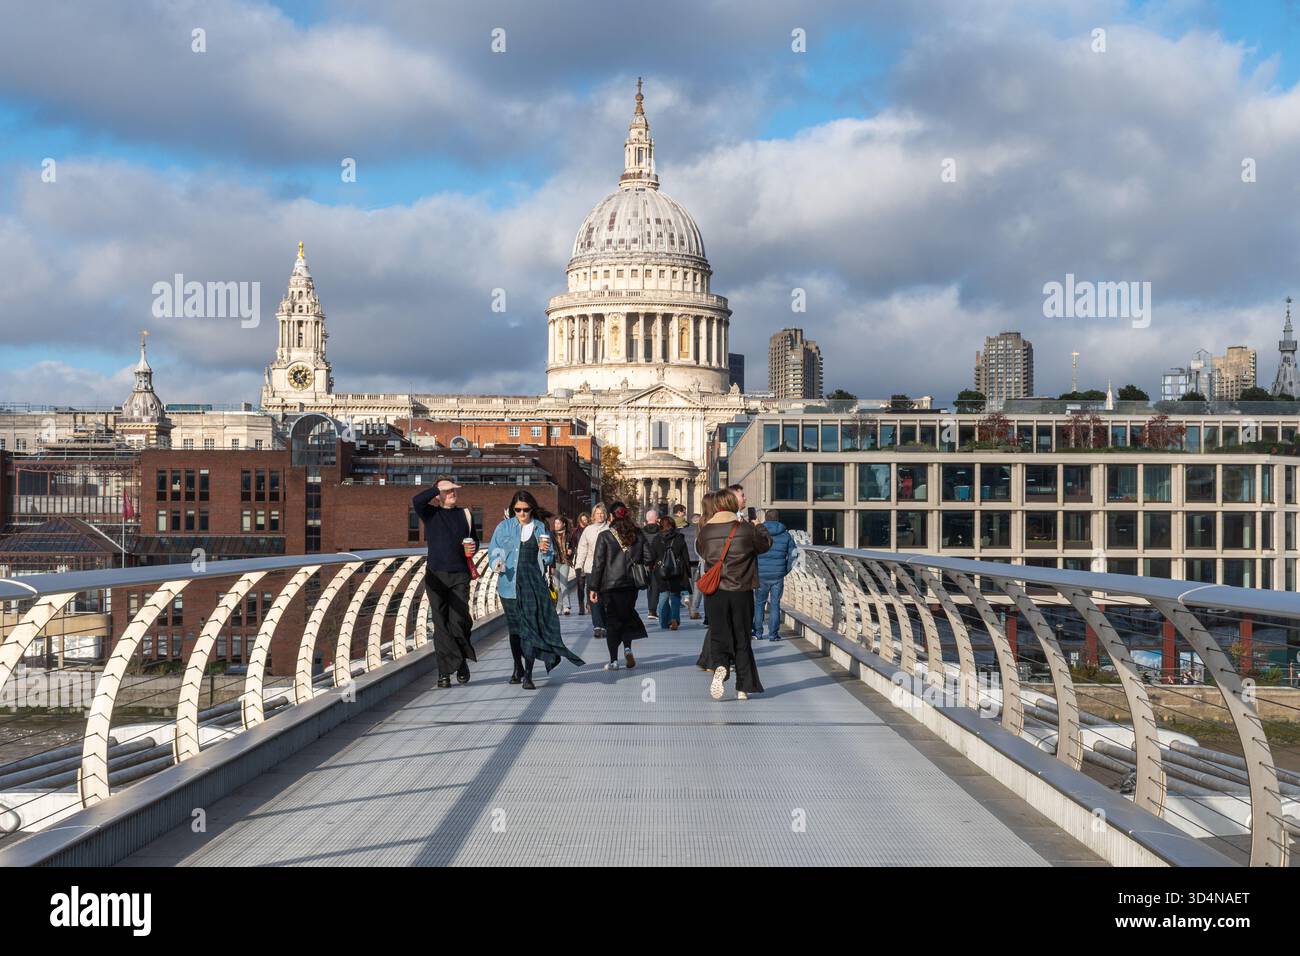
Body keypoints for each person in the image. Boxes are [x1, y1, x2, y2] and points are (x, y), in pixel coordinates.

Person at [487, 491, 584, 689]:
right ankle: (518, 667)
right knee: (515, 630)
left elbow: (548, 560)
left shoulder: (540, 527)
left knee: (529, 629)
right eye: (518, 510)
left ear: (532, 508)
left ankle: (528, 675)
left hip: (533, 584)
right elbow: (494, 551)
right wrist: (497, 562)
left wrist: (545, 551)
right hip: (509, 585)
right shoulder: (504, 527)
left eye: (526, 510)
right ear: (513, 509)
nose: (522, 513)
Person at [697, 489, 771, 701]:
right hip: (740, 589)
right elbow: (764, 546)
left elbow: (703, 553)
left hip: (715, 590)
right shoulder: (746, 529)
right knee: (742, 638)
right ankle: (743, 687)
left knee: (719, 634)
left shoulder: (706, 531)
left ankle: (720, 665)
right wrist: (760, 528)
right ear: (732, 504)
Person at [411, 476, 478, 688]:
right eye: (447, 491)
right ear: (438, 495)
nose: (452, 493)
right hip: (436, 575)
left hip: (459, 575)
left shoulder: (465, 514)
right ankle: (444, 673)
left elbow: (474, 539)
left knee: (459, 621)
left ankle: (459, 663)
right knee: (441, 625)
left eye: (454, 490)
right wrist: (437, 488)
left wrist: (473, 546)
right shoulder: (431, 513)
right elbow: (417, 501)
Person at [587, 501, 650, 670]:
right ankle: (627, 648)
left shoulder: (605, 536)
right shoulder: (638, 534)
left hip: (610, 586)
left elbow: (598, 564)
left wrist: (593, 587)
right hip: (631, 585)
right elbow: (649, 557)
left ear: (611, 517)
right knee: (626, 616)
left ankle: (614, 660)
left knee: (613, 621)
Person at [753, 508, 798, 641]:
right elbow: (794, 555)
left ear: (766, 519)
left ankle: (758, 632)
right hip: (778, 575)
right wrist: (785, 569)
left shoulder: (758, 533)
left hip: (761, 574)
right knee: (775, 604)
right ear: (778, 519)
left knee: (759, 603)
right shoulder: (786, 535)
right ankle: (773, 634)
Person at [574, 503, 609, 641]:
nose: (600, 515)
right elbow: (582, 549)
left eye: (602, 513)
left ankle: (605, 625)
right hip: (591, 568)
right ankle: (597, 626)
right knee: (594, 597)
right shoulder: (588, 530)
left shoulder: (610, 529)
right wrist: (578, 566)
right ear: (593, 515)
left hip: (607, 569)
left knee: (605, 597)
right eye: (597, 513)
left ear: (605, 514)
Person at [651, 514, 691, 629]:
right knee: (675, 596)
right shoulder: (679, 538)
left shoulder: (657, 539)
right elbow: (685, 556)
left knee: (663, 596)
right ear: (673, 525)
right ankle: (674, 619)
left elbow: (652, 555)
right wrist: (687, 572)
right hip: (676, 571)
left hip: (661, 572)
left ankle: (664, 622)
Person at [550, 515, 577, 616]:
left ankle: (566, 607)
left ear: (563, 524)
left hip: (565, 561)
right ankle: (558, 607)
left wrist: (571, 551)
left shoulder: (569, 534)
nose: (556, 525)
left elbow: (572, 546)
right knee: (556, 586)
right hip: (555, 562)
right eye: (555, 523)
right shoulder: (551, 534)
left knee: (563, 583)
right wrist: (550, 565)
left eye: (558, 523)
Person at [641, 508, 662, 619]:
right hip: (657, 563)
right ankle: (652, 610)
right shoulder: (661, 531)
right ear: (657, 519)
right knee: (655, 586)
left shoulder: (641, 532)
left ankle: (651, 609)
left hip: (645, 563)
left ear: (646, 519)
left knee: (650, 586)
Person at [682, 512, 703, 620]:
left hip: (686, 562)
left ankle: (689, 603)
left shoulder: (683, 531)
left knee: (689, 586)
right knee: (698, 587)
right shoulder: (702, 531)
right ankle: (694, 609)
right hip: (699, 562)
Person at [572, 511, 591, 614]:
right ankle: (581, 606)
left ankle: (589, 605)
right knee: (580, 585)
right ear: (579, 520)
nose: (584, 521)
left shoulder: (590, 530)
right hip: (580, 561)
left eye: (586, 519)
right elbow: (572, 544)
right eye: (582, 520)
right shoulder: (575, 532)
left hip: (589, 560)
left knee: (589, 584)